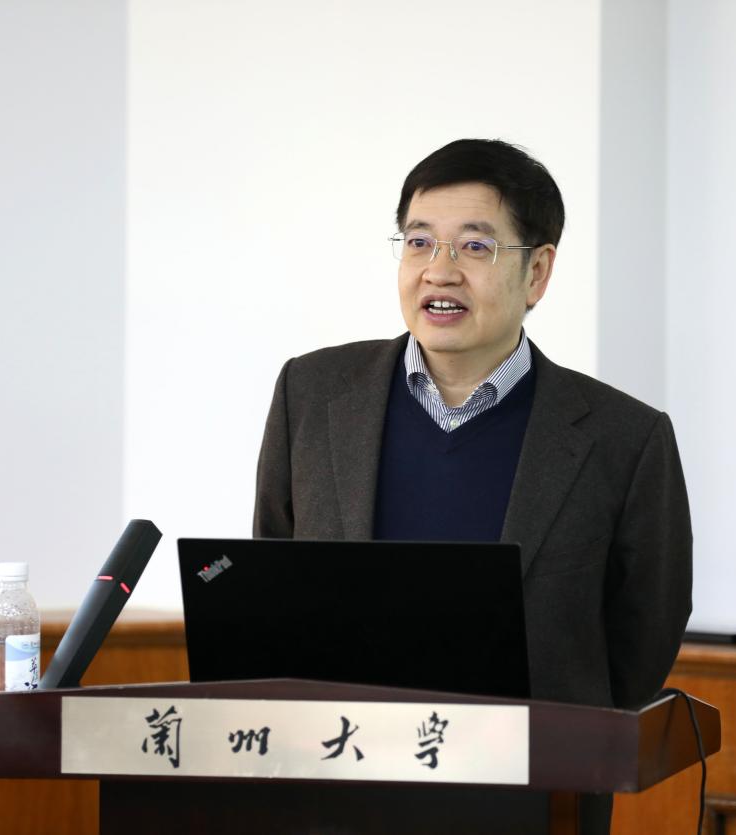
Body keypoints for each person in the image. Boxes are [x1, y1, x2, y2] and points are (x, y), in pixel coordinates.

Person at [253, 138, 692, 831]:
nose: (440, 270)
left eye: (475, 247)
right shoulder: (310, 395)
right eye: (419, 242)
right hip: (336, 788)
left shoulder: (624, 438)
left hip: (533, 797)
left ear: (537, 272)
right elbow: (272, 582)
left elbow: (642, 636)